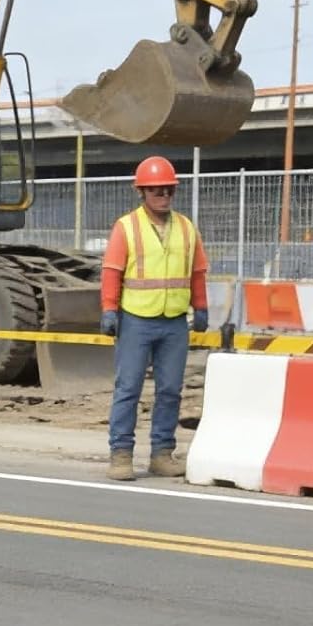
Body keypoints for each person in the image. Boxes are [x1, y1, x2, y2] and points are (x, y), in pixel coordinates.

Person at [99, 156, 209, 480]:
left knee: (171, 390)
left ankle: (162, 454)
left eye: (168, 190)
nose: (164, 195)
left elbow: (197, 271)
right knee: (128, 388)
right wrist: (109, 308)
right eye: (156, 190)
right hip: (136, 319)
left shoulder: (187, 229)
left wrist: (201, 307)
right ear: (143, 192)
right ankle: (120, 455)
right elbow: (112, 271)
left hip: (174, 321)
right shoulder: (127, 227)